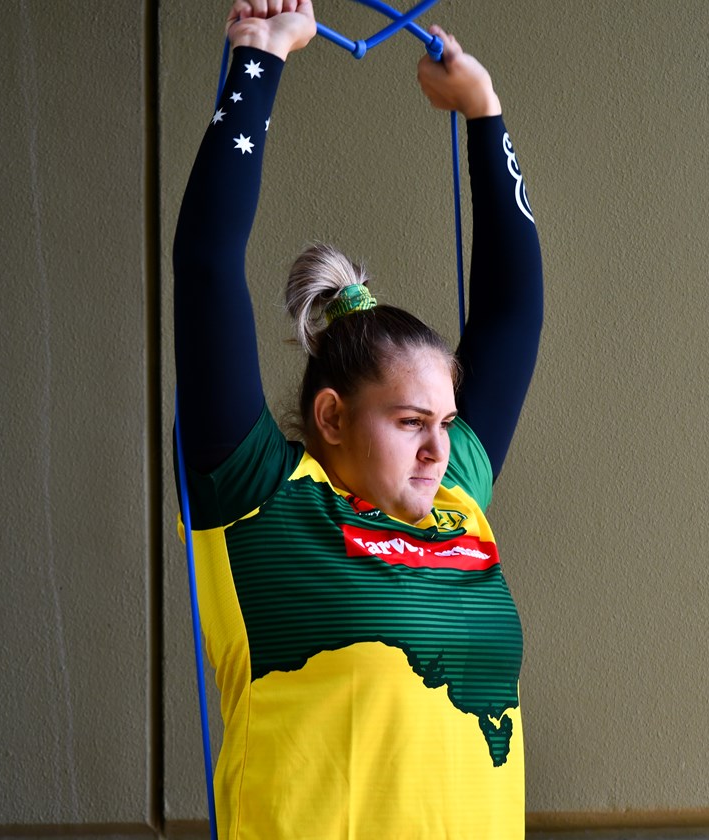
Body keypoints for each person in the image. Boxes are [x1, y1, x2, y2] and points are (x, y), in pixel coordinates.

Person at [173, 1, 543, 837]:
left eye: (446, 422)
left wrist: (484, 112)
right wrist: (259, 55)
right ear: (332, 416)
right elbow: (205, 265)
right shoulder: (257, 499)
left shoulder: (454, 497)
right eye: (411, 422)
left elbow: (514, 314)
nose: (439, 448)